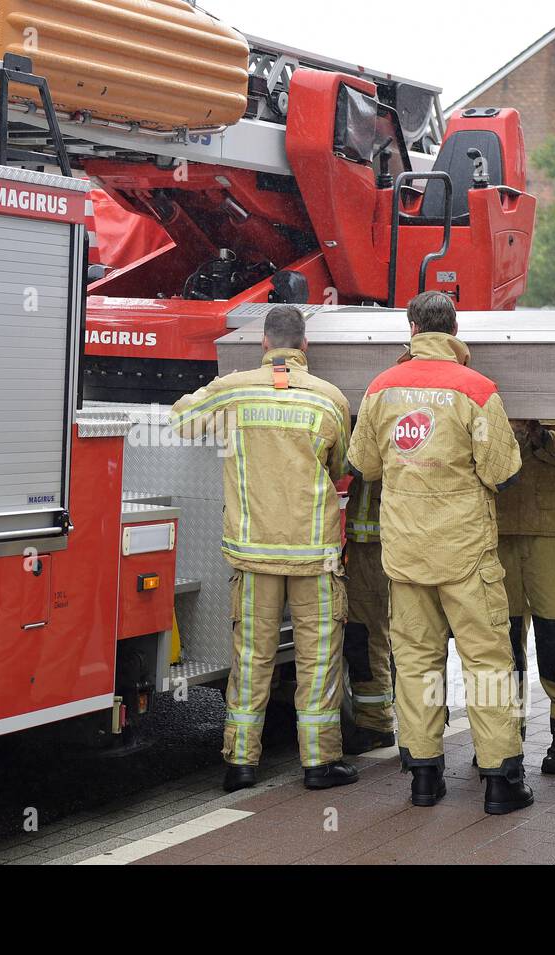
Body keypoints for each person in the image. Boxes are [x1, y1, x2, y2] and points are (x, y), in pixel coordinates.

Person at [349, 290, 533, 815]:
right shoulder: (477, 390)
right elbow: (504, 473)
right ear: (454, 331)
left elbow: (365, 466)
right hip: (466, 554)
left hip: (406, 553)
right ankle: (501, 782)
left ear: (411, 328)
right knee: (487, 663)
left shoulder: (382, 388)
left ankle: (424, 778)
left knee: (416, 663)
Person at [171, 305, 358, 792]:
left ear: (263, 344)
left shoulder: (235, 389)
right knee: (318, 659)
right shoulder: (329, 399)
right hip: (314, 555)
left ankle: (239, 764)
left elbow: (180, 420)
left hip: (254, 555)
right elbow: (342, 465)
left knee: (252, 656)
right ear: (304, 347)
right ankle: (319, 764)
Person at [495, 418, 555, 774]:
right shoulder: (492, 393)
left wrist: (540, 436)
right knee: (498, 642)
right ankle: (501, 734)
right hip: (498, 526)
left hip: (553, 530)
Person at [341, 479, 397, 754]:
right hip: (365, 545)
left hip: (387, 546)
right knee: (361, 635)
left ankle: (384, 724)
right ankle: (375, 723)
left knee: (380, 636)